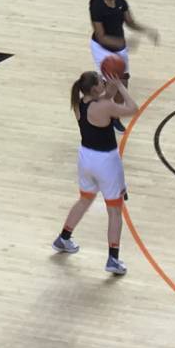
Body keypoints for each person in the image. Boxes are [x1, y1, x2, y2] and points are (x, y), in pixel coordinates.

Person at [56, 71, 135, 275]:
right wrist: (121, 87)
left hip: (86, 158)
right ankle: (113, 259)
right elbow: (133, 108)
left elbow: (101, 104)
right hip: (106, 162)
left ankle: (63, 238)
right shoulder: (105, 106)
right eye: (102, 81)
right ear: (95, 88)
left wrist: (110, 89)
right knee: (115, 210)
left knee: (84, 200)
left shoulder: (80, 103)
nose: (105, 81)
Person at [87, 0, 158, 73]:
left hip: (119, 47)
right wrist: (123, 42)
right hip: (102, 48)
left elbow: (130, 22)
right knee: (109, 83)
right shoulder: (97, 6)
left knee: (124, 81)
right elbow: (101, 37)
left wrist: (147, 30)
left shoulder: (120, 0)